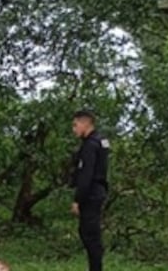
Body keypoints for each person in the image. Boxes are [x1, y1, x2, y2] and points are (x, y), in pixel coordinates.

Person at [70, 109, 110, 271]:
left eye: (75, 125)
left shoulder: (90, 145)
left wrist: (78, 200)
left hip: (91, 193)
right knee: (91, 233)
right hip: (99, 191)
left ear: (85, 123)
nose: (74, 129)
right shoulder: (102, 141)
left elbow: (86, 175)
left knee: (89, 234)